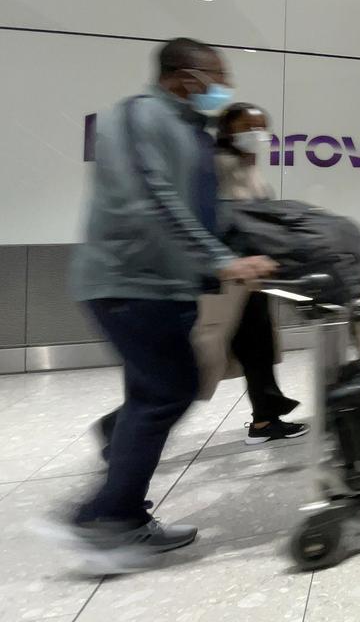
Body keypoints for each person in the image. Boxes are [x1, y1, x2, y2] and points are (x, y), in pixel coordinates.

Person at [53, 38, 276, 574]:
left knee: (155, 392)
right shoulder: (136, 116)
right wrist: (222, 260)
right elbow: (153, 198)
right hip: (130, 280)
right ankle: (111, 518)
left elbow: (200, 209)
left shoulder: (188, 130)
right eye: (216, 77)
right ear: (184, 75)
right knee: (170, 390)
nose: (222, 88)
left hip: (163, 284)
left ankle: (110, 505)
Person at [210, 103, 308, 444]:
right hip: (230, 276)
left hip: (251, 274)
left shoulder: (244, 166)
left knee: (259, 346)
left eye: (262, 127)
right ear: (228, 130)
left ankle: (266, 419)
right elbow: (226, 222)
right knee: (201, 362)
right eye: (249, 127)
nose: (258, 135)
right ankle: (120, 427)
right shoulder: (217, 166)